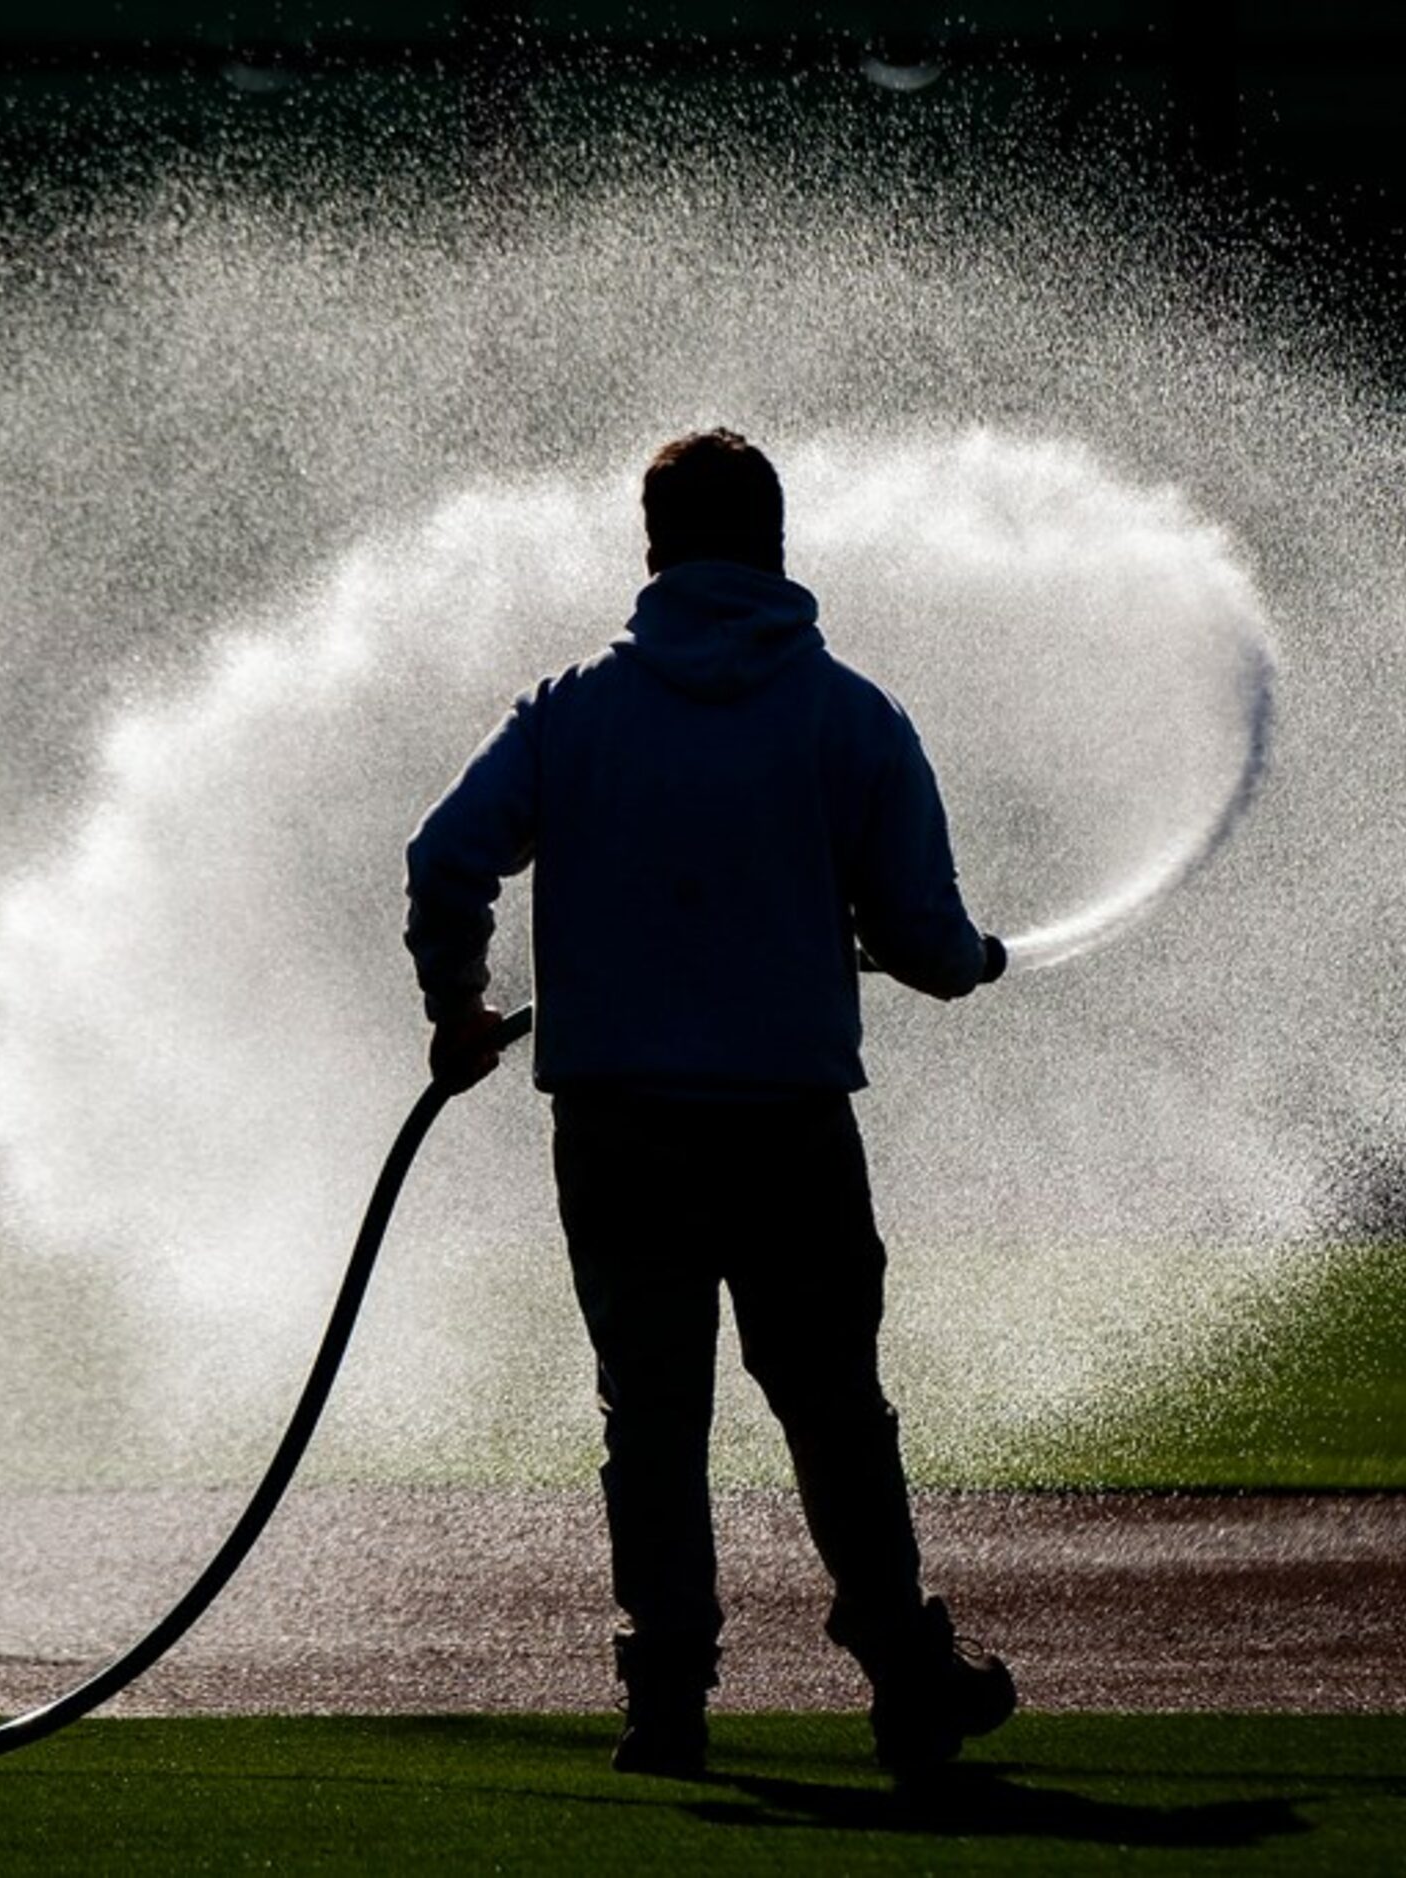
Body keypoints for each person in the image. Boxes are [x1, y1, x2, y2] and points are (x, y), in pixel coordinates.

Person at [402, 428, 1017, 1779]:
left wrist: (456, 1003)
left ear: (653, 548)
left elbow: (447, 855)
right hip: (789, 1120)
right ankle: (908, 1688)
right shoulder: (853, 716)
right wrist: (968, 956)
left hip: (617, 1120)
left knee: (654, 1414)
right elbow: (927, 943)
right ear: (778, 544)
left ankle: (666, 1699)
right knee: (834, 1404)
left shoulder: (570, 711)